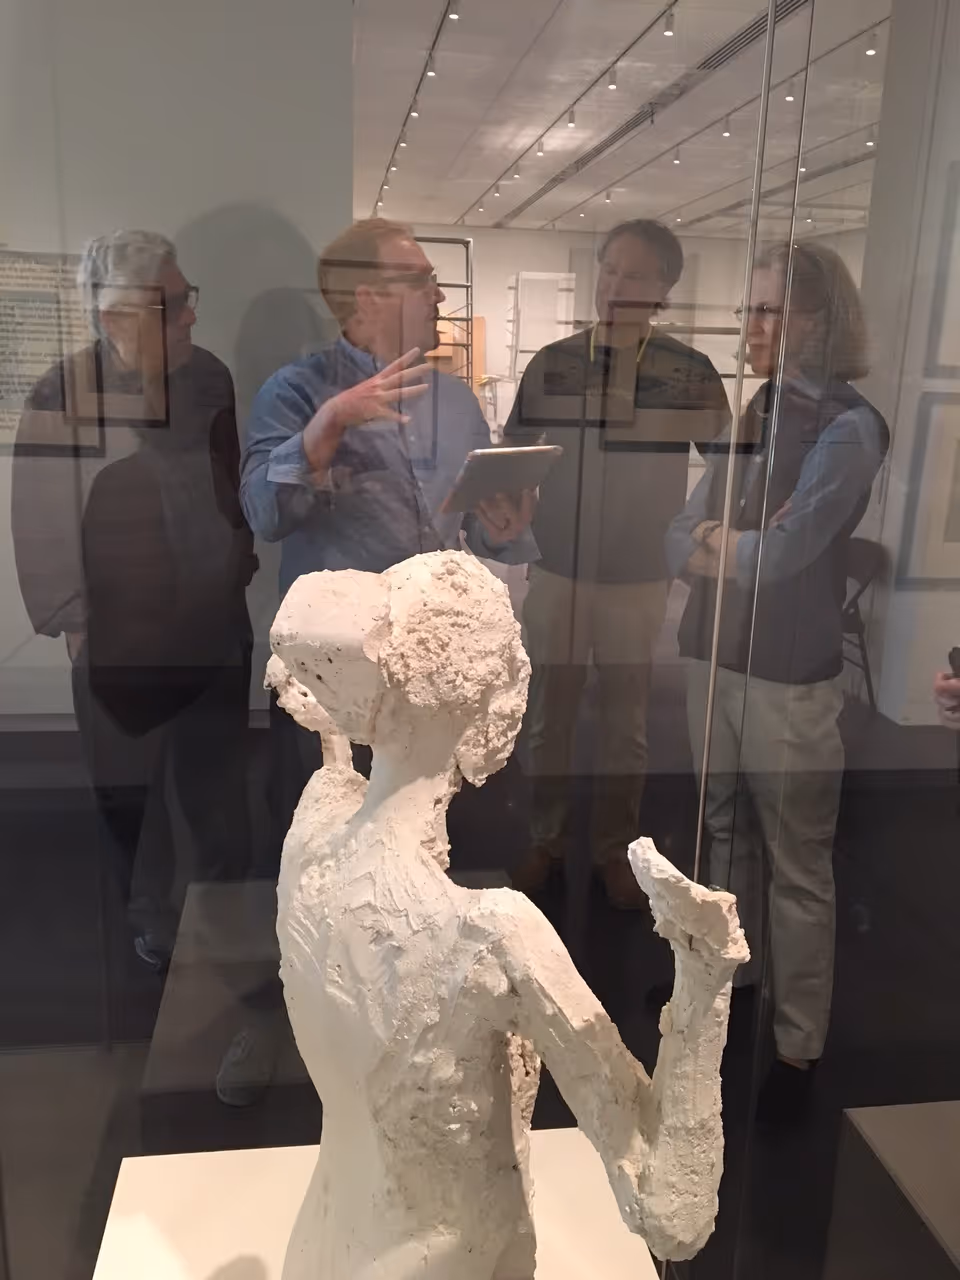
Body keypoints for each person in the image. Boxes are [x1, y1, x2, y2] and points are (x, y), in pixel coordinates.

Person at [666, 241, 889, 1122]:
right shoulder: (757, 406)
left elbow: (788, 559)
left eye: (767, 310)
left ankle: (797, 1046)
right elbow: (679, 530)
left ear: (817, 322)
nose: (748, 325)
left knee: (797, 863)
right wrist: (723, 539)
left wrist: (718, 541)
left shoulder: (850, 426)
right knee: (721, 833)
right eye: (749, 308)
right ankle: (737, 988)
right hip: (713, 653)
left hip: (790, 679)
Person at [12, 229, 257, 972]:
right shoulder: (61, 392)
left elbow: (229, 480)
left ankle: (223, 902)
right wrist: (76, 626)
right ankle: (150, 911)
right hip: (121, 641)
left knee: (218, 780)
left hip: (214, 627)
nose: (190, 317)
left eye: (188, 301)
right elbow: (42, 515)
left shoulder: (209, 376)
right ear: (118, 318)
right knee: (131, 794)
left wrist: (239, 564)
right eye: (175, 304)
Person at [241, 216, 536, 819]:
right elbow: (263, 515)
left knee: (424, 826)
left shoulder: (453, 399)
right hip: (335, 663)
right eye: (422, 279)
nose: (440, 295)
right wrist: (326, 426)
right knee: (328, 831)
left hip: (433, 656)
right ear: (368, 297)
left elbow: (466, 527)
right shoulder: (295, 391)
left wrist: (498, 529)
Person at [504, 220, 729, 908]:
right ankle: (545, 838)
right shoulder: (555, 361)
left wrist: (695, 532)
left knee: (627, 725)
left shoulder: (688, 371)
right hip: (559, 567)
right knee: (548, 715)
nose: (615, 286)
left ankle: (614, 848)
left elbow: (728, 464)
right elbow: (514, 448)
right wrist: (510, 512)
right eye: (608, 270)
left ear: (663, 289)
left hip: (638, 576)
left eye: (633, 276)